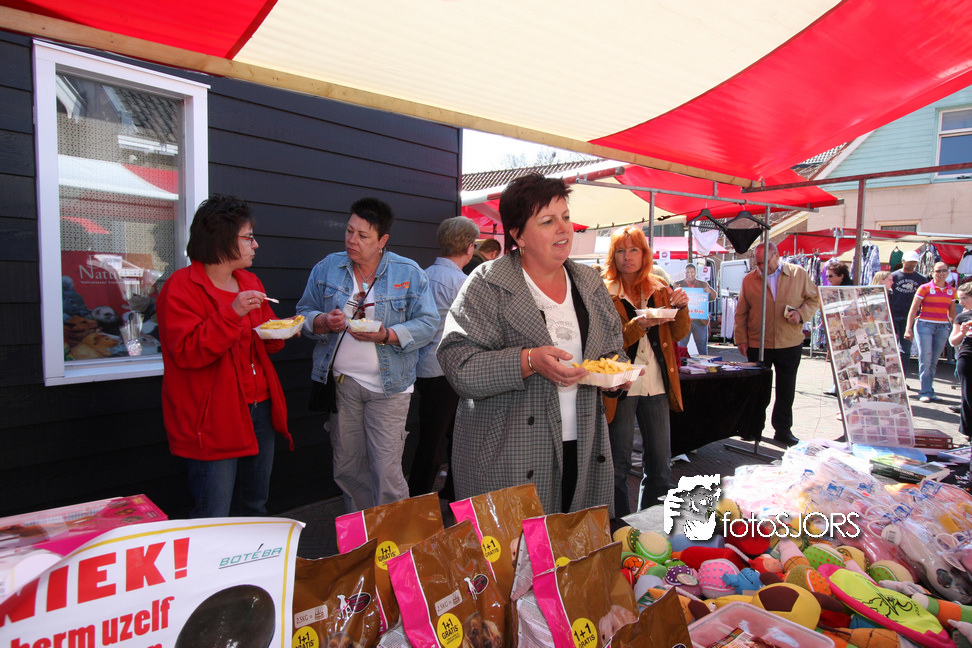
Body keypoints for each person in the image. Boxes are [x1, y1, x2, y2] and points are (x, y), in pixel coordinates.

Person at [437, 173, 626, 516]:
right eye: (548, 221)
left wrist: (616, 374)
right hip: (510, 450)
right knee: (517, 545)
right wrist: (528, 361)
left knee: (573, 539)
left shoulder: (589, 282)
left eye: (565, 217)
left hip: (583, 441)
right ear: (518, 234)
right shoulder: (488, 283)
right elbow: (459, 365)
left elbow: (613, 346)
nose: (563, 228)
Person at [297, 197, 439, 512]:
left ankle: (394, 539)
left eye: (363, 235)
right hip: (342, 383)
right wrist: (323, 321)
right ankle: (361, 536)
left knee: (386, 472)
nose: (352, 240)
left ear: (382, 241)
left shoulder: (408, 272)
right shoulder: (328, 267)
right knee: (348, 468)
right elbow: (303, 313)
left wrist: (387, 334)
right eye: (349, 231)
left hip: (390, 388)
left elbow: (429, 323)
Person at [157, 195, 292, 518]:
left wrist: (280, 333)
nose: (255, 245)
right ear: (222, 239)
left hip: (260, 407)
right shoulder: (180, 288)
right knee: (214, 514)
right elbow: (188, 352)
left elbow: (264, 338)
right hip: (213, 418)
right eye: (248, 237)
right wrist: (232, 313)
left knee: (255, 506)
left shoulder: (249, 281)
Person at [604, 227, 690, 514]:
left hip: (657, 383)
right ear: (613, 256)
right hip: (621, 385)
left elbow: (679, 333)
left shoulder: (660, 288)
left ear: (644, 255)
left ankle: (650, 525)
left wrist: (681, 307)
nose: (627, 257)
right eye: (621, 250)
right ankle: (617, 526)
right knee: (618, 464)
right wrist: (637, 325)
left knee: (660, 463)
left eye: (634, 250)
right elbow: (607, 341)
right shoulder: (605, 292)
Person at [408, 216, 480, 498]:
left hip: (424, 367)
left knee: (442, 434)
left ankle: (446, 493)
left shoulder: (423, 274)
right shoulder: (461, 282)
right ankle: (421, 498)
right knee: (439, 439)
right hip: (446, 369)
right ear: (469, 247)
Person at [734, 241, 820, 447]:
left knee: (786, 389)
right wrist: (741, 339)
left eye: (764, 262)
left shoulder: (798, 274)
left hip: (788, 342)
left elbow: (814, 299)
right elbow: (741, 312)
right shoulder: (749, 280)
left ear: (776, 256)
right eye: (757, 263)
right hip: (758, 342)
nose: (761, 267)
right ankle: (752, 428)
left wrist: (801, 314)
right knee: (757, 389)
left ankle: (782, 430)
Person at [904, 261, 956, 403]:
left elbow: (952, 313)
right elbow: (914, 309)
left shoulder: (951, 291)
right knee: (925, 359)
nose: (941, 274)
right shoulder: (924, 288)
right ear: (932, 273)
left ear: (948, 273)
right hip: (924, 325)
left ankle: (929, 390)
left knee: (934, 361)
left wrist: (956, 329)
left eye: (944, 270)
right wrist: (908, 328)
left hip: (943, 327)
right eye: (938, 271)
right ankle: (925, 391)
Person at [889, 251, 928, 377]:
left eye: (914, 262)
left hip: (909, 318)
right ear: (903, 261)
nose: (912, 264)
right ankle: (891, 377)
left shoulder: (921, 279)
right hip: (893, 315)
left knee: (905, 350)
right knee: (890, 348)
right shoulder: (893, 276)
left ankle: (903, 378)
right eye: (910, 261)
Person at [821, 261, 854, 397]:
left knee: (845, 359)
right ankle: (838, 385)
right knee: (839, 359)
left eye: (831, 276)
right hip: (837, 329)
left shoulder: (847, 289)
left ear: (841, 276)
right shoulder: (835, 289)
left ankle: (843, 386)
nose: (828, 279)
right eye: (827, 276)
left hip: (846, 330)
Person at [675, 263, 717, 355]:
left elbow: (714, 296)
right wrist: (675, 291)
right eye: (687, 272)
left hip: (700, 321)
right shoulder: (678, 284)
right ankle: (681, 363)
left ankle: (704, 363)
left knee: (702, 347)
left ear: (695, 273)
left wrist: (709, 291)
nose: (689, 274)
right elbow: (672, 300)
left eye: (692, 272)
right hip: (684, 321)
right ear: (684, 273)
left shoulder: (703, 284)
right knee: (681, 347)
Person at [949, 282, 972, 437]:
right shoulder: (962, 317)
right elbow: (953, 341)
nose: (961, 302)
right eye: (959, 298)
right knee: (968, 396)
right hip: (968, 356)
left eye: (964, 298)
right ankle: (969, 432)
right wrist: (963, 332)